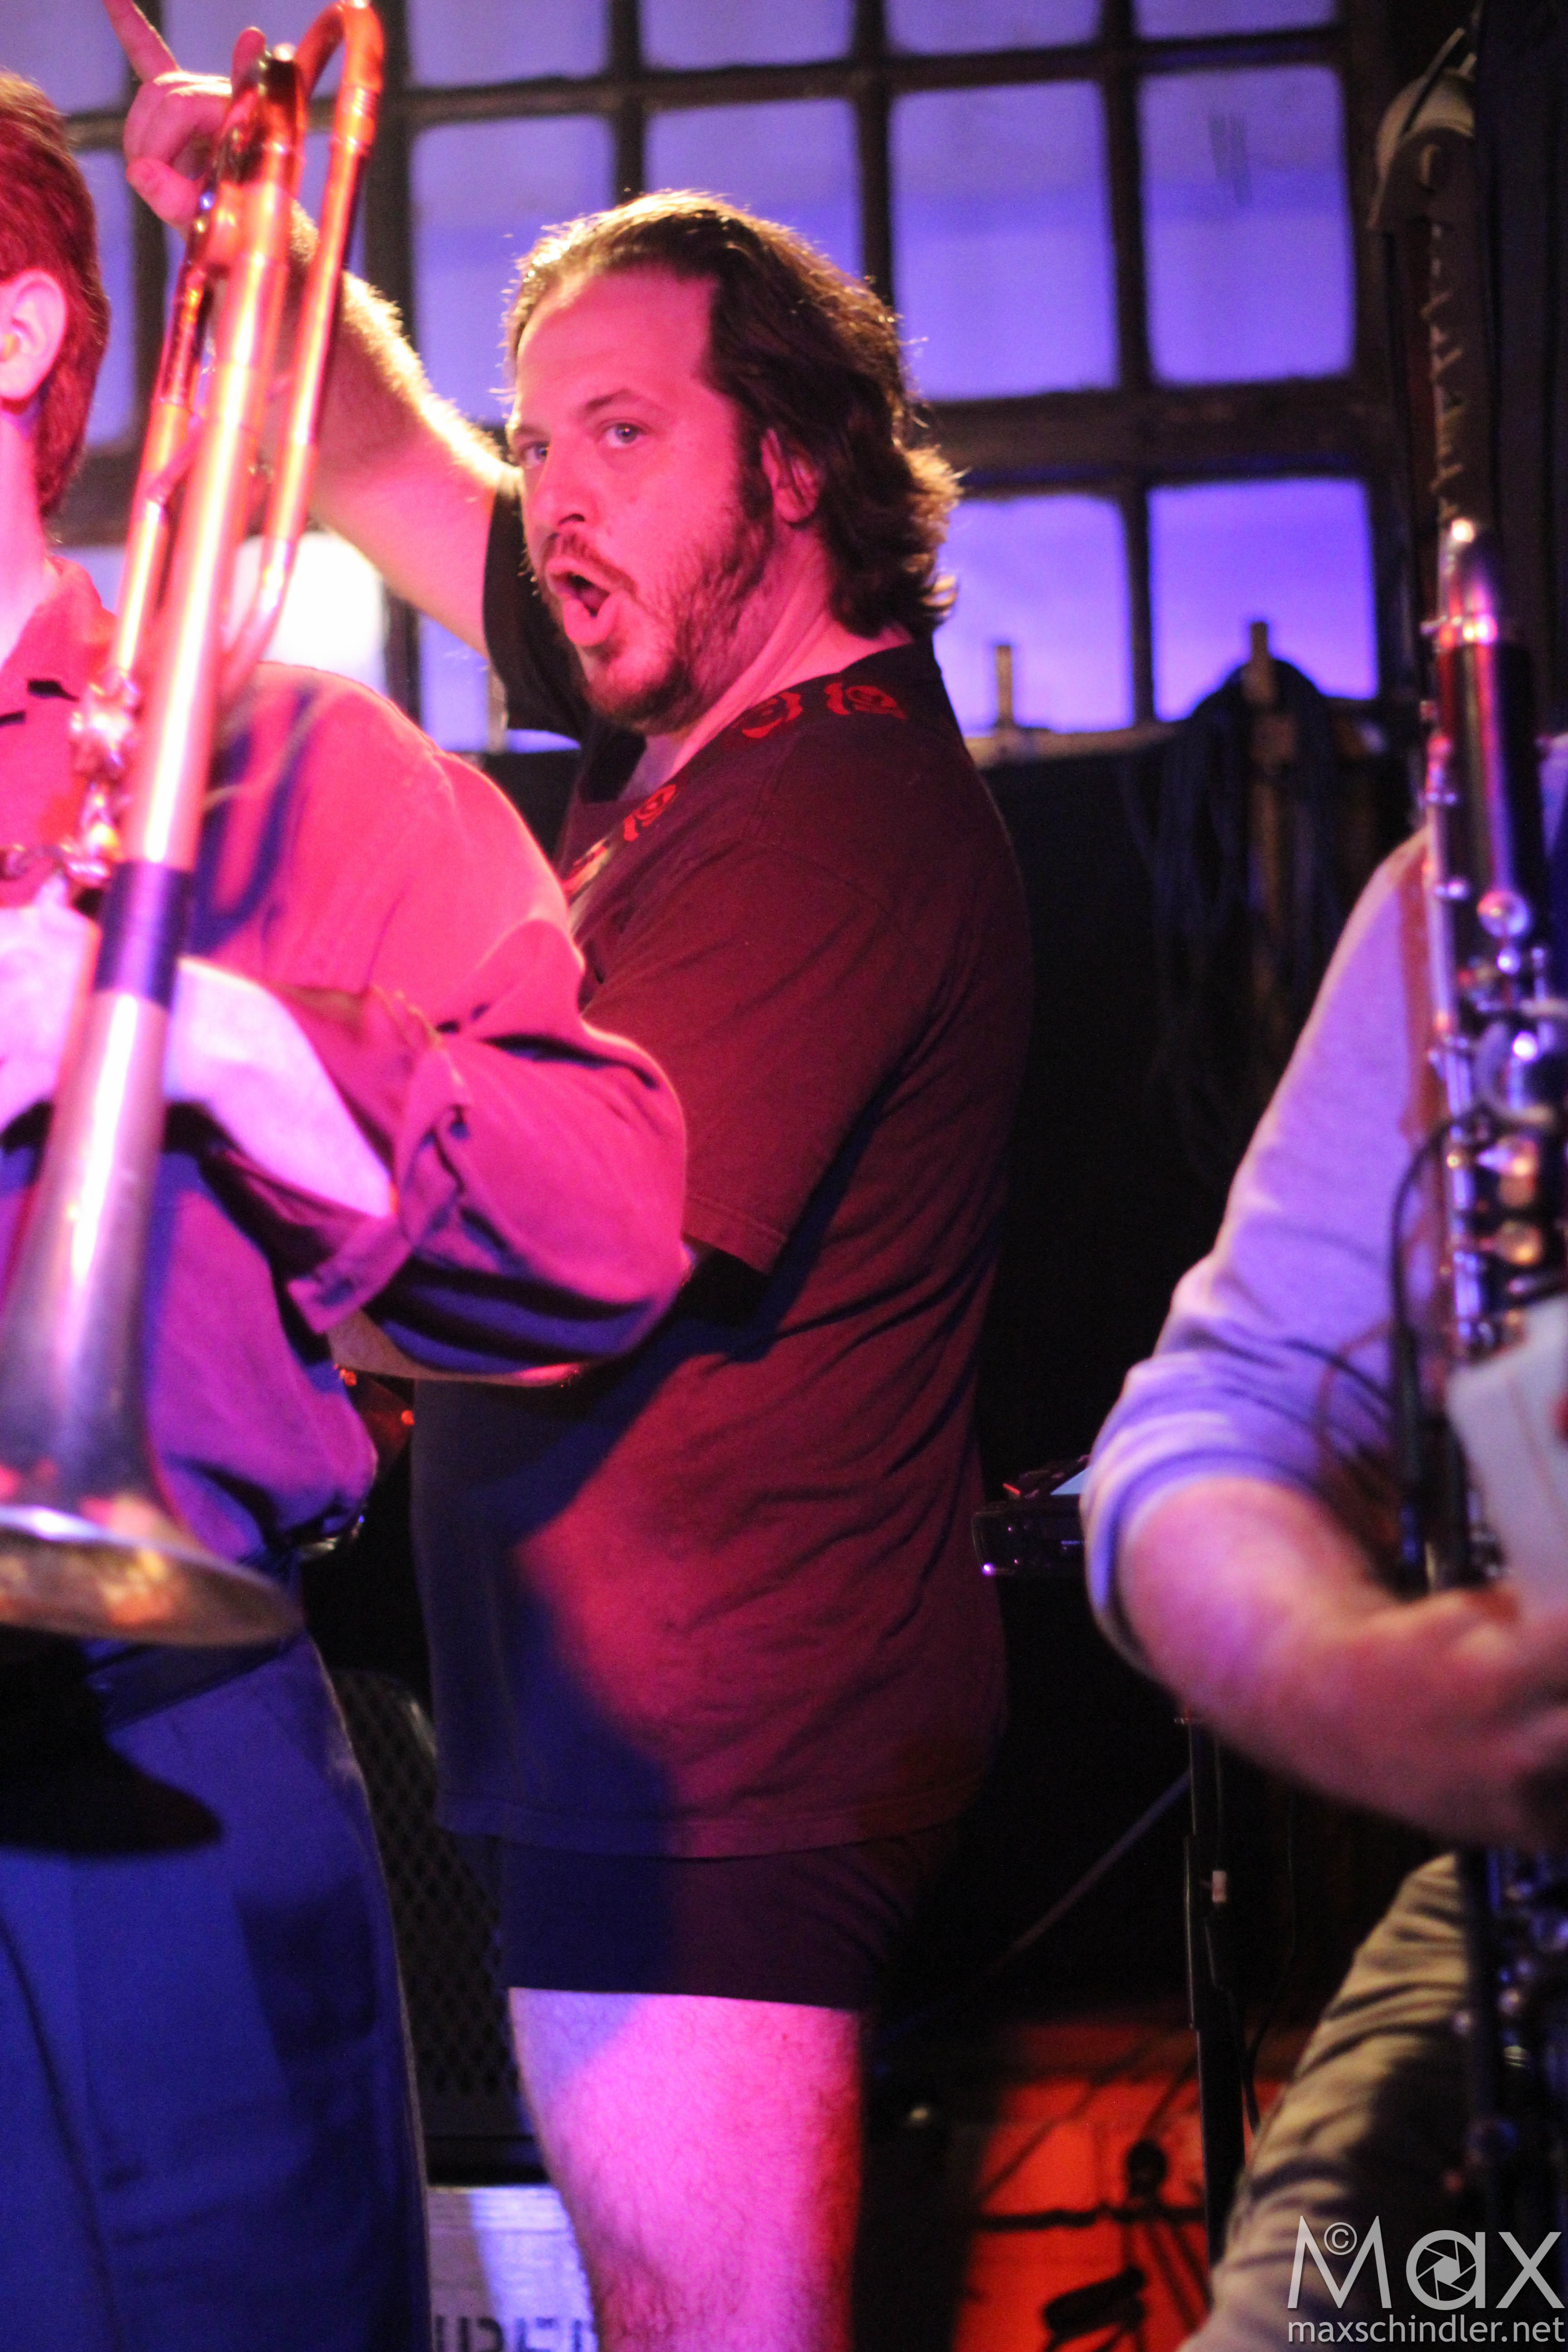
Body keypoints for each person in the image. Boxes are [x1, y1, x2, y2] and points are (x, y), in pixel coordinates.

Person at [107, 12, 1035, 2346]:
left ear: (795, 468)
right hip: (636, 1744)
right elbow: (361, 454)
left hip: (721, 1775)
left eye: (624, 431)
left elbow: (570, 1249)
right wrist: (262, 222)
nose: (554, 500)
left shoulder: (825, 811)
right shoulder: (698, 713)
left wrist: (218, 1161)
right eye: (542, 443)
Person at [0, 71, 687, 2352]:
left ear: (18, 333)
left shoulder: (279, 768)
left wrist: (188, 1025)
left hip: (128, 1776)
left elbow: (606, 1221)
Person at [1081, 796, 1568, 2342]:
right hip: (1538, 1909)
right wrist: (1364, 1685)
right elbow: (1223, 1421)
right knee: (1299, 2315)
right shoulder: (1510, 854)